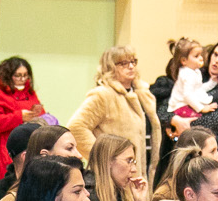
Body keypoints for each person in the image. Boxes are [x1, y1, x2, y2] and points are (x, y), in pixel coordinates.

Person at [68, 46, 161, 189]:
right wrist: (106, 158)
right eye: (123, 63)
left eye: (133, 62)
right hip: (113, 178)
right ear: (110, 67)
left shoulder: (143, 94)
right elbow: (75, 127)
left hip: (142, 172)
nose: (130, 66)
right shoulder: (103, 94)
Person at [0, 57, 45, 181]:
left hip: (29, 150)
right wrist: (19, 117)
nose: (22, 79)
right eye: (18, 76)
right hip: (4, 154)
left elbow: (39, 113)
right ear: (8, 75)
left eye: (25, 76)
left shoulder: (30, 93)